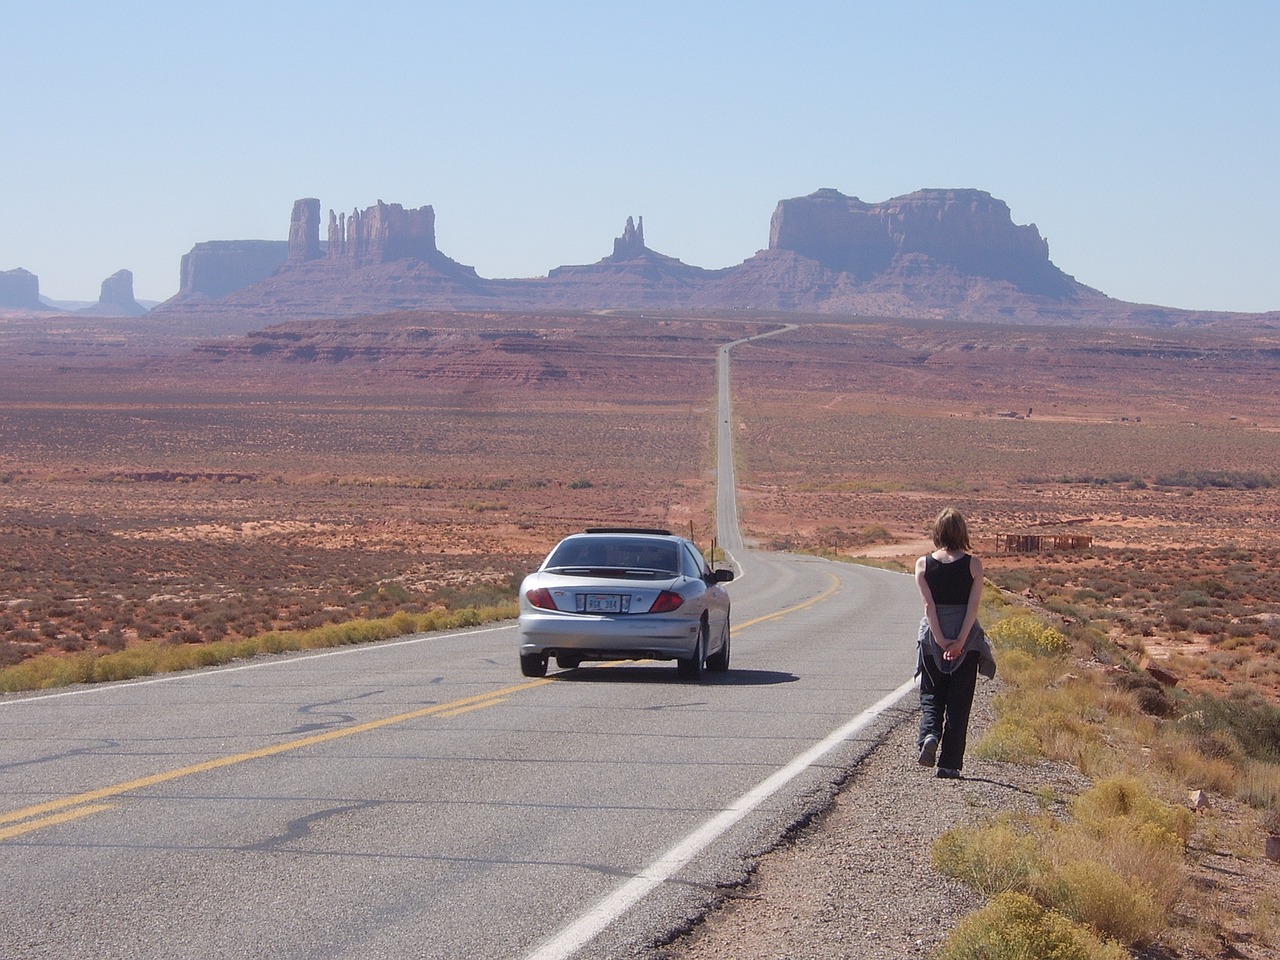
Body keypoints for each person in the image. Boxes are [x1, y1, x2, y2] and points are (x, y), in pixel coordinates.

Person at [914, 507, 995, 779]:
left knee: (932, 693)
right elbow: (973, 607)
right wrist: (959, 641)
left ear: (937, 532)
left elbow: (928, 606)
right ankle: (949, 764)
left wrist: (940, 640)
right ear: (963, 532)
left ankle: (929, 734)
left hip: (933, 640)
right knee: (959, 701)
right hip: (966, 639)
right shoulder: (974, 565)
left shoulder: (923, 564)